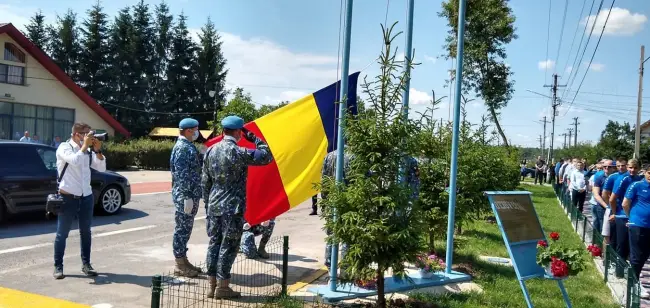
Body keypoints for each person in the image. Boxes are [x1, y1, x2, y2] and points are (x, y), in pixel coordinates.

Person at [202, 115, 274, 299]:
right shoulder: (237, 151)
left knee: (214, 244)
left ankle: (211, 286)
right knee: (229, 246)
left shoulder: (211, 151)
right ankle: (223, 287)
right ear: (237, 131)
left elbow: (205, 182)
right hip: (232, 208)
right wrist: (255, 139)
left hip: (214, 206)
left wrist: (207, 205)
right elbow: (267, 156)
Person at [53, 123, 106, 279]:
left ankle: (86, 264)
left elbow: (101, 168)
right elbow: (74, 160)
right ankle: (58, 266)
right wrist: (85, 147)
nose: (88, 137)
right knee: (62, 234)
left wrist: (97, 150)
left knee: (86, 232)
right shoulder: (64, 147)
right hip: (68, 196)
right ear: (76, 134)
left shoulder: (88, 150)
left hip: (86, 197)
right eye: (86, 134)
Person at [169, 118, 203, 278]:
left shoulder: (187, 146)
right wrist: (187, 197)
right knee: (182, 230)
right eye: (196, 129)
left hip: (189, 194)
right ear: (189, 130)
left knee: (186, 229)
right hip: (185, 196)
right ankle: (179, 265)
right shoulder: (182, 148)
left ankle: (183, 259)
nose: (198, 132)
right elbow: (182, 175)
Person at [622, 166, 650, 298]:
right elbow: (625, 203)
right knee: (636, 255)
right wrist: (631, 218)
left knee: (645, 254)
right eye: (649, 173)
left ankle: (635, 278)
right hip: (637, 224)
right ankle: (634, 283)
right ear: (645, 173)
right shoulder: (637, 185)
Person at [610, 158, 641, 276]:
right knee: (621, 244)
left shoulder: (640, 179)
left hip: (634, 217)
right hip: (621, 215)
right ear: (627, 167)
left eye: (635, 168)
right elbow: (612, 198)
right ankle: (618, 271)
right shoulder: (622, 179)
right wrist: (615, 213)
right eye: (630, 167)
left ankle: (629, 272)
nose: (632, 170)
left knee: (631, 246)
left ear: (638, 168)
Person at [590, 159, 615, 244]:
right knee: (603, 229)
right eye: (605, 166)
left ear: (613, 168)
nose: (607, 168)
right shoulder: (599, 178)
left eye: (609, 166)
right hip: (602, 207)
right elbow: (596, 194)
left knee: (613, 230)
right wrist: (606, 206)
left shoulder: (617, 177)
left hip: (615, 208)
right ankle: (600, 248)